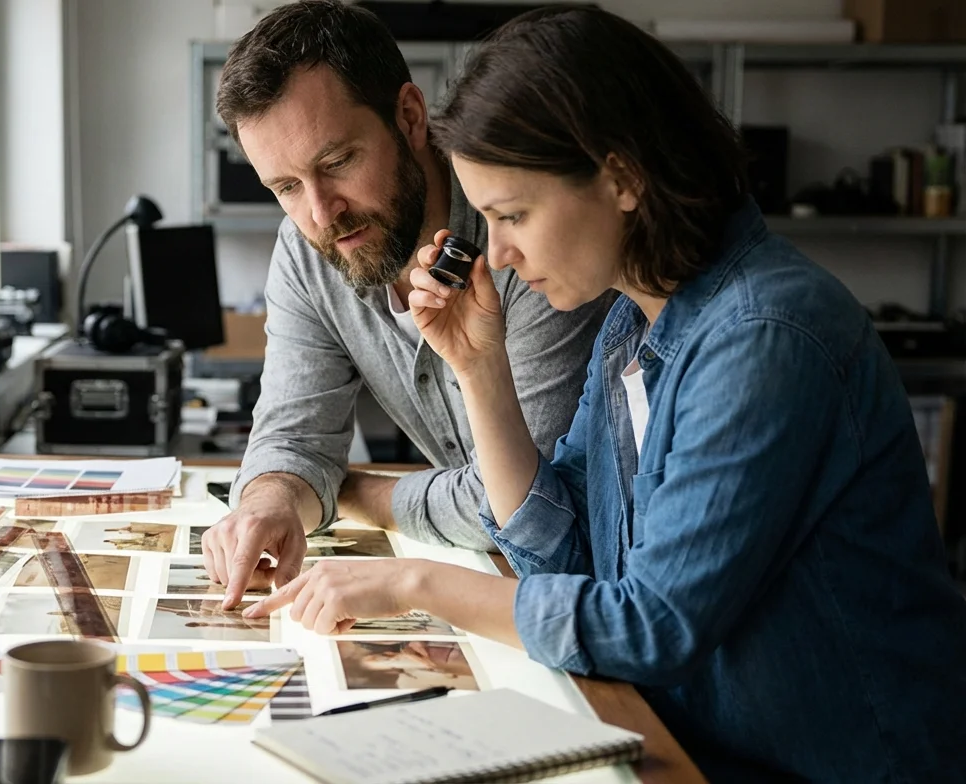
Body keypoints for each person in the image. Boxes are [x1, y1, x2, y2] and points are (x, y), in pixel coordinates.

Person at [245, 7, 966, 781]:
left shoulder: (768, 334)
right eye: (489, 220)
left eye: (514, 216)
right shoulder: (631, 323)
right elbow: (563, 546)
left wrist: (415, 581)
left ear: (621, 178)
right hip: (687, 737)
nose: (507, 257)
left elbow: (653, 624)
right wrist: (480, 370)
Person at [202, 0, 611, 608]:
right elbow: (293, 434)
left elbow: (526, 503)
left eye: (338, 162)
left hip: (584, 585)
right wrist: (272, 500)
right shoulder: (309, 247)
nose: (320, 212)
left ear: (410, 116)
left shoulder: (527, 244)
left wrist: (354, 493)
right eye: (286, 187)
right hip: (498, 584)